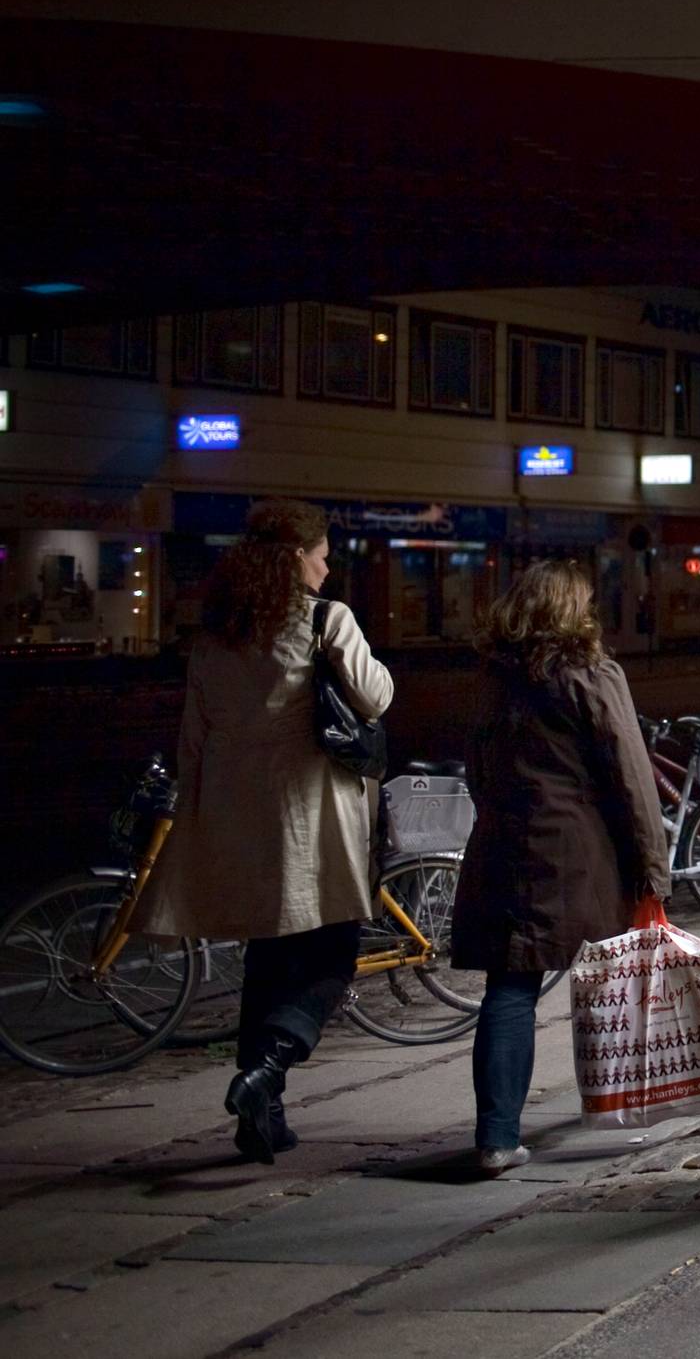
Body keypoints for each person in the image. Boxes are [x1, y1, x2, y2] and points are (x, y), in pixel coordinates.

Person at [135, 497, 392, 1164]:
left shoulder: (216, 635)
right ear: (296, 558)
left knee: (268, 958)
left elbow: (193, 737)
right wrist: (344, 646)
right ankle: (267, 1069)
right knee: (332, 951)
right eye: (322, 556)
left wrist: (195, 812)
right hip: (310, 814)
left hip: (239, 813)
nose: (328, 569)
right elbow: (376, 695)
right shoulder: (326, 620)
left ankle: (262, 1120)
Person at [454, 559, 671, 1176]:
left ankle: (496, 1138)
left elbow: (476, 765)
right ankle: (622, 1104)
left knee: (509, 989)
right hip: (576, 853)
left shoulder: (495, 679)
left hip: (504, 846)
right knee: (613, 979)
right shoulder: (591, 674)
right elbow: (631, 776)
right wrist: (653, 869)